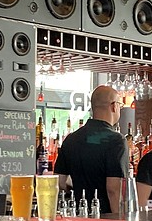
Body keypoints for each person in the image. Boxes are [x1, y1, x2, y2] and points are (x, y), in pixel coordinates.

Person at [53, 85, 128, 214]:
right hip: (104, 218)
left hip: (76, 217)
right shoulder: (116, 140)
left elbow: (59, 182)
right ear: (114, 106)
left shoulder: (71, 139)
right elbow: (113, 189)